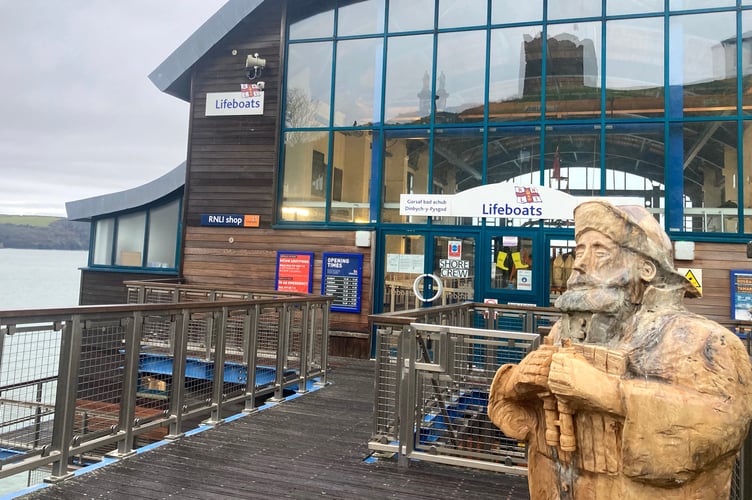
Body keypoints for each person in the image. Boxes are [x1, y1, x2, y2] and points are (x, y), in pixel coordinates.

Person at [488, 200, 752, 499]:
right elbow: (522, 420)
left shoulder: (702, 340)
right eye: (580, 250)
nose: (579, 263)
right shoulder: (564, 331)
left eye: (599, 250)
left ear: (647, 268)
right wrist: (517, 382)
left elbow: (724, 424)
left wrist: (611, 394)